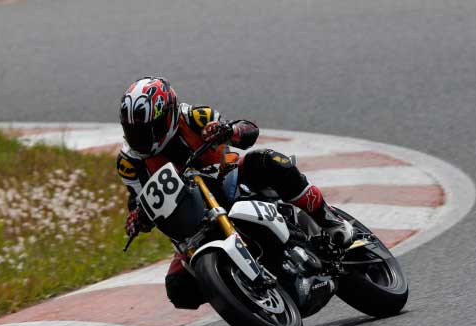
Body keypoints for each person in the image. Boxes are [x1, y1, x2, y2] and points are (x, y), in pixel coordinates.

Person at [117, 76, 353, 310]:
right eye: (134, 131)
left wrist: (228, 130)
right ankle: (238, 290)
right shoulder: (128, 162)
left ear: (169, 115)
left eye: (150, 129)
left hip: (230, 182)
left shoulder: (194, 117)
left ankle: (328, 219)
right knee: (179, 289)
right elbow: (138, 199)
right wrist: (137, 218)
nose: (143, 138)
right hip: (192, 222)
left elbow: (249, 130)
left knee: (268, 161)